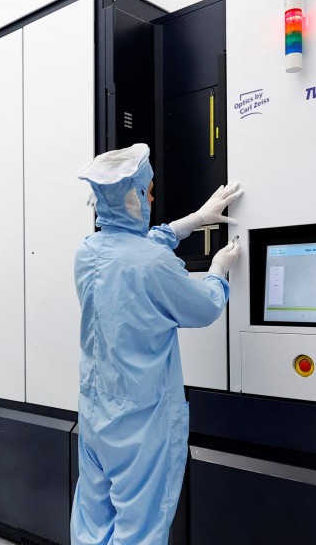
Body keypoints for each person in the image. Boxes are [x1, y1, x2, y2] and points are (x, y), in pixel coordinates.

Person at [71, 143, 242, 545]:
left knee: (93, 520)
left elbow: (141, 246)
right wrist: (219, 270)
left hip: (97, 414)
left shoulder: (88, 251)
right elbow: (203, 308)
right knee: (140, 529)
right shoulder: (152, 264)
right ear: (131, 197)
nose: (151, 197)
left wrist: (195, 220)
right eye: (146, 191)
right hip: (143, 421)